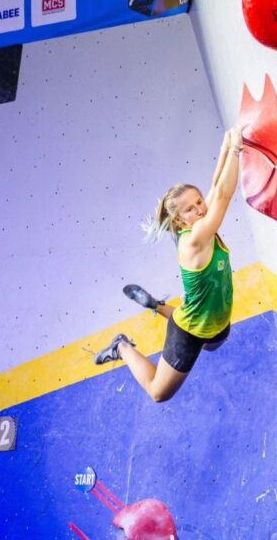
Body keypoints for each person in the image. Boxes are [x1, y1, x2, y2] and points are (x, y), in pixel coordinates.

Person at [93, 125, 244, 402]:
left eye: (199, 202)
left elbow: (214, 187)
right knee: (157, 393)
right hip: (188, 332)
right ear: (179, 220)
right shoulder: (195, 239)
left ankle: (157, 306)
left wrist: (225, 144)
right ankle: (121, 347)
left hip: (213, 325)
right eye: (190, 209)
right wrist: (236, 149)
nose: (200, 209)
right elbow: (223, 194)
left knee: (213, 344)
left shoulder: (201, 220)